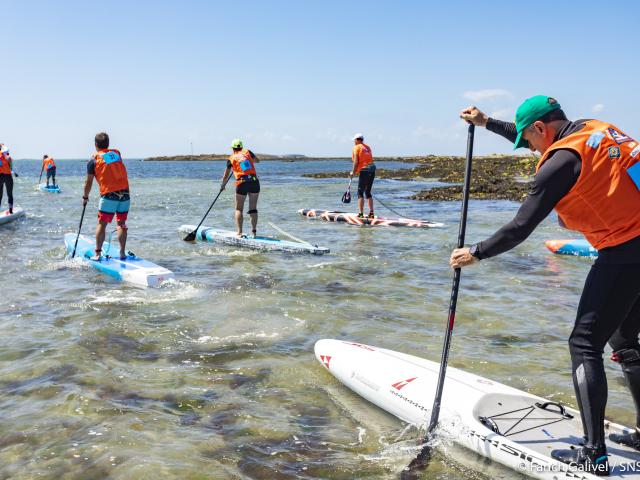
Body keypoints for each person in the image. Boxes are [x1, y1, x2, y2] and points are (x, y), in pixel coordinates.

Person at [452, 95, 640, 476]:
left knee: (584, 343)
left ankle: (593, 455)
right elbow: (542, 142)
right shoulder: (595, 129)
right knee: (624, 341)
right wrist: (488, 122)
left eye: (529, 139)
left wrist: (476, 252)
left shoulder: (559, 163)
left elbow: (521, 226)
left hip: (626, 250)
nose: (528, 148)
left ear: (542, 128)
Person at [82, 132, 130, 261]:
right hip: (125, 194)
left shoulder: (93, 160)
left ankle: (97, 254)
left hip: (109, 194)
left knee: (102, 224)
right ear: (108, 144)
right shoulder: (117, 153)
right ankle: (122, 253)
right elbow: (109, 162)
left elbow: (89, 182)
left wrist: (85, 197)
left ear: (95, 144)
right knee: (121, 224)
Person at [220, 139, 260, 237]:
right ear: (241, 147)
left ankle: (239, 233)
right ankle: (254, 233)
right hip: (254, 181)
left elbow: (226, 175)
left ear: (233, 148)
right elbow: (257, 161)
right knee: (253, 208)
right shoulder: (248, 152)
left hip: (242, 182)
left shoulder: (231, 158)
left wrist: (223, 185)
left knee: (239, 209)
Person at [350, 133, 376, 218]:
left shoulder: (356, 147)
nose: (354, 141)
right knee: (368, 192)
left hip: (364, 170)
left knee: (360, 193)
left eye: (354, 140)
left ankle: (361, 214)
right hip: (372, 170)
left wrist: (353, 172)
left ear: (357, 140)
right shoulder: (367, 147)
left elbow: (356, 161)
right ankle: (371, 213)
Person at [0, 143, 18, 213]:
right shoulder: (8, 157)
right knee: (9, 194)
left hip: (0, 176)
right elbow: (11, 168)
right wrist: (15, 173)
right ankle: (10, 211)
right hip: (8, 176)